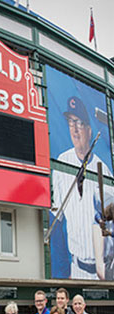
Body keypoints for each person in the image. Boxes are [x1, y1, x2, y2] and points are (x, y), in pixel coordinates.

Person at [51, 96, 113, 279]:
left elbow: (110, 222)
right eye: (71, 123)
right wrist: (62, 272)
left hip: (103, 270)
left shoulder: (104, 170)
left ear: (89, 129)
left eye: (79, 123)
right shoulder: (62, 162)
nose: (75, 129)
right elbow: (56, 218)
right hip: (76, 267)